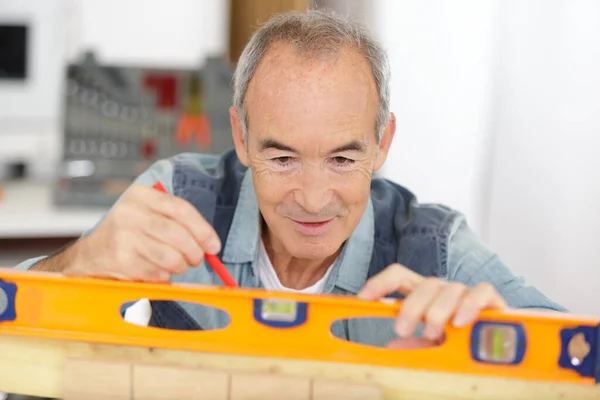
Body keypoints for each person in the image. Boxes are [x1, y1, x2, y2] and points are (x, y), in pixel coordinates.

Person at [14, 9, 564, 348]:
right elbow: (17, 340)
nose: (313, 198)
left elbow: (579, 359)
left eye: (343, 160)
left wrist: (499, 343)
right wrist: (74, 264)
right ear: (240, 136)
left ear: (383, 143)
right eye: (282, 159)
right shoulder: (174, 200)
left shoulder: (435, 248)